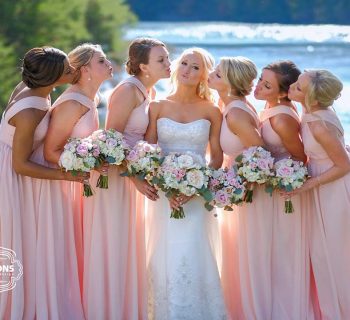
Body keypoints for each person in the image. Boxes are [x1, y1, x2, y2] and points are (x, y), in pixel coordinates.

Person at [82, 37, 171, 319]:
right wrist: (134, 177)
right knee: (112, 243)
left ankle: (124, 308)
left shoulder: (150, 92)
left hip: (133, 176)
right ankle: (103, 309)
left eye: (167, 58)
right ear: (143, 66)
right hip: (116, 179)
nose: (168, 63)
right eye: (161, 60)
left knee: (128, 244)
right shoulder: (127, 91)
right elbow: (110, 140)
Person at [0, 47, 86, 319]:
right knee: (16, 238)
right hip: (12, 174)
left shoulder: (34, 86)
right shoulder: (29, 111)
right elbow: (20, 164)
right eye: (67, 70)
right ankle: (16, 305)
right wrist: (64, 175)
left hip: (16, 164)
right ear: (51, 77)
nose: (73, 71)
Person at [145, 47, 226, 319]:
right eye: (184, 64)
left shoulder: (212, 110)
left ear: (204, 75)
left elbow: (216, 158)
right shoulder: (157, 106)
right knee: (163, 251)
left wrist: (196, 186)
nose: (188, 71)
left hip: (197, 195)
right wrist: (165, 186)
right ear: (177, 67)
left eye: (196, 67)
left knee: (193, 251)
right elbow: (148, 153)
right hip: (163, 194)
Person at [44, 43, 113, 308]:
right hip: (62, 185)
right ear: (85, 69)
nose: (109, 64)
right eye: (102, 61)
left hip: (79, 182)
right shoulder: (73, 103)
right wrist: (87, 164)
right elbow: (51, 151)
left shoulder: (91, 99)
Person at [288, 69, 350, 320]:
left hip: (333, 189)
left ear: (312, 99)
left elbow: (344, 165)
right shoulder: (311, 111)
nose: (292, 86)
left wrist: (309, 184)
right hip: (325, 181)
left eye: (298, 87)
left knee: (335, 254)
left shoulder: (319, 124)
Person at [254, 60, 313, 319]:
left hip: (283, 192)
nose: (258, 87)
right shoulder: (270, 106)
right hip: (270, 190)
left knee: (284, 253)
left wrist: (276, 174)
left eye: (266, 85)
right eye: (259, 79)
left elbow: (300, 157)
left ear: (282, 93)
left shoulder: (281, 118)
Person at [209, 56, 267, 319]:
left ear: (230, 82)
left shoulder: (236, 113)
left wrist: (239, 185)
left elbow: (260, 156)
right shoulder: (229, 106)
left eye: (218, 74)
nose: (211, 74)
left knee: (247, 258)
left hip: (246, 196)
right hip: (234, 192)